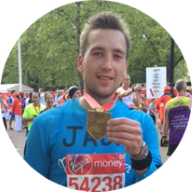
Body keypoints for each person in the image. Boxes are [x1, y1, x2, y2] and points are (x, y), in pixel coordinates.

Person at [23, 12, 162, 189]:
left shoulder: (142, 124)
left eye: (117, 56)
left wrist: (140, 156)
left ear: (125, 66)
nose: (108, 65)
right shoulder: (45, 126)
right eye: (98, 53)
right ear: (80, 62)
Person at [162, 79, 192, 157]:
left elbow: (166, 123)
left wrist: (164, 137)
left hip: (173, 139)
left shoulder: (169, 104)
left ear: (175, 90)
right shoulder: (189, 101)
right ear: (185, 89)